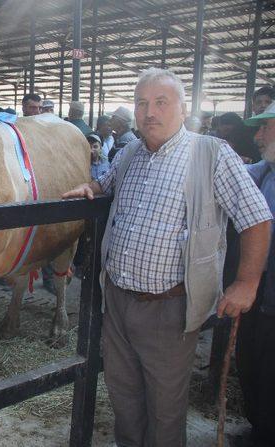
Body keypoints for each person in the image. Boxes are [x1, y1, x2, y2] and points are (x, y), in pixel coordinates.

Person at [62, 68, 272, 447]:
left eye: (161, 102)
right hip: (118, 301)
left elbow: (256, 219)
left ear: (182, 107)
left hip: (170, 309)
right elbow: (103, 184)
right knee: (123, 396)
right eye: (142, 103)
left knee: (165, 407)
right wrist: (87, 186)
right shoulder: (129, 154)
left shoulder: (210, 154)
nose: (149, 112)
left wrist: (246, 282)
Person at [236, 103, 275, 447]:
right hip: (260, 296)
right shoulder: (266, 172)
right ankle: (259, 432)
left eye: (266, 127)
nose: (257, 135)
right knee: (253, 364)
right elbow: (234, 175)